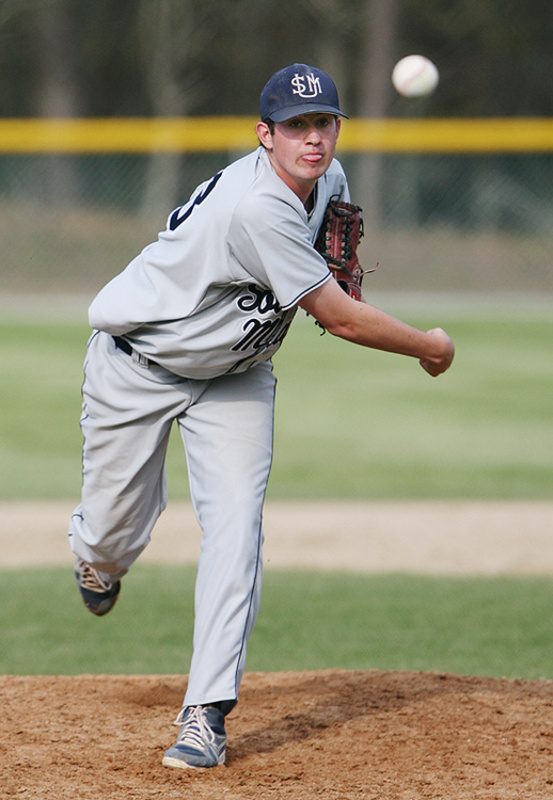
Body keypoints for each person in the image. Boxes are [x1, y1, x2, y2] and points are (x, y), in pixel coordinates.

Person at [68, 63, 454, 770]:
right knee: (112, 532)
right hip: (139, 366)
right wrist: (428, 345)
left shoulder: (328, 182)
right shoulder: (256, 207)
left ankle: (205, 713)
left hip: (236, 378)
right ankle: (96, 564)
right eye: (297, 126)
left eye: (324, 123)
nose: (313, 139)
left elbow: (335, 262)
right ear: (265, 135)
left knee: (237, 528)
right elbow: (338, 319)